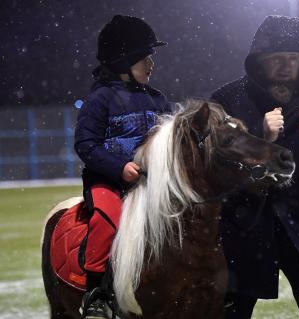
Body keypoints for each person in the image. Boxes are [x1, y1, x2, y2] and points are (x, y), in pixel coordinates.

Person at [211, 16, 299, 318]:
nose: (286, 66)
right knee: (232, 310)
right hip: (244, 222)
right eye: (277, 58)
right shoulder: (227, 99)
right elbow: (214, 167)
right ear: (259, 62)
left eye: (293, 59)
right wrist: (261, 138)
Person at [74, 15, 171, 319]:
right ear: (122, 61)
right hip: (109, 182)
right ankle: (97, 292)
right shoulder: (99, 99)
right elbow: (86, 145)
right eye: (144, 59)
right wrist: (119, 168)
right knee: (107, 219)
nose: (151, 65)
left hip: (150, 183)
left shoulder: (158, 100)